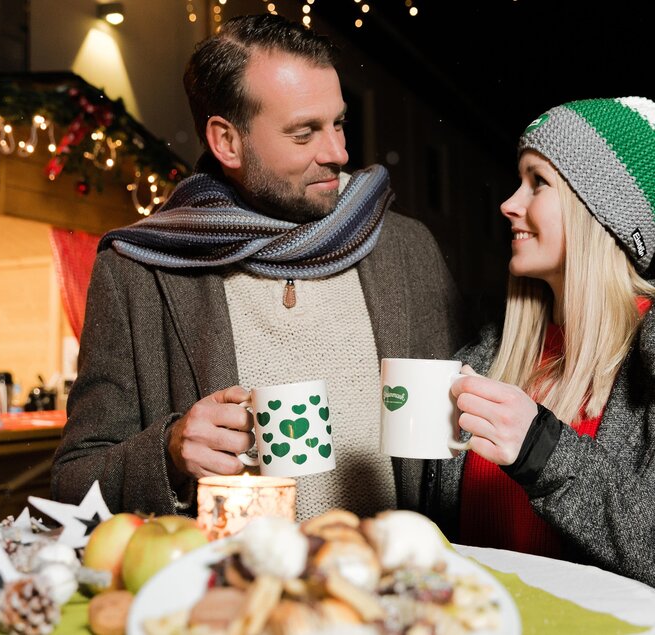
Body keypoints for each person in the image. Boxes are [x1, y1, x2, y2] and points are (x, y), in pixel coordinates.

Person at [51, 14, 465, 521]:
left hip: (391, 584)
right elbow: (73, 484)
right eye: (304, 132)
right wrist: (169, 452)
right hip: (238, 591)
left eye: (338, 123)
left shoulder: (406, 250)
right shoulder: (139, 272)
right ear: (227, 142)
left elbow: (454, 467)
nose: (339, 153)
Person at [422, 95, 655, 634]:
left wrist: (545, 452)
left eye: (537, 182)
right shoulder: (488, 359)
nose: (508, 203)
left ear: (602, 210)